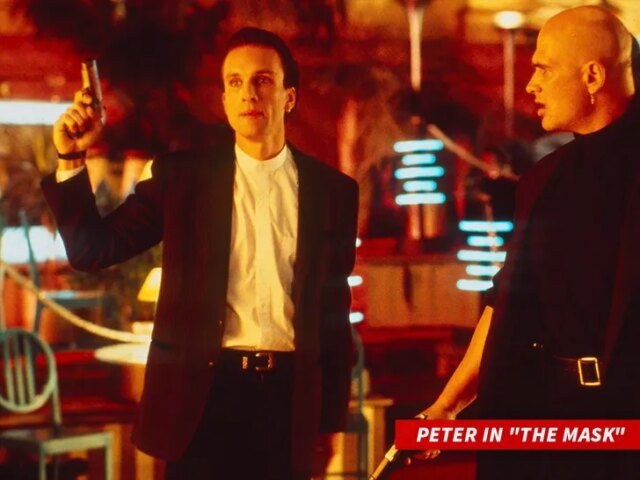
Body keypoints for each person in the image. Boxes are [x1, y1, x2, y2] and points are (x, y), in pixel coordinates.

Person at [41, 27, 358, 480]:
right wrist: (71, 158)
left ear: (289, 97)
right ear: (225, 101)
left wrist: (331, 421)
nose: (249, 93)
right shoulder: (182, 179)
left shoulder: (334, 192)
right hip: (202, 400)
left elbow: (333, 317)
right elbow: (92, 249)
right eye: (235, 82)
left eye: (263, 80)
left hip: (288, 403)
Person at [417, 6, 640, 479]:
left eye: (544, 69)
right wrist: (446, 407)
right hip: (546, 420)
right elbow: (504, 304)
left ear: (593, 75)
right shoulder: (543, 179)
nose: (532, 85)